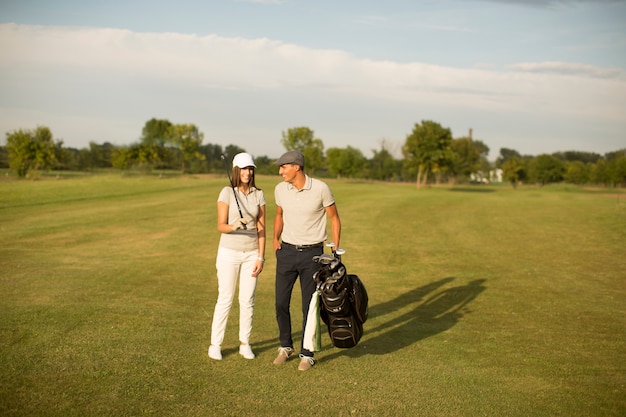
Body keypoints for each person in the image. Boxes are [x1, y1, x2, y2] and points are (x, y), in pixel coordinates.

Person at [272, 150, 341, 371]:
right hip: (286, 252)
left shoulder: (320, 188)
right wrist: (274, 239)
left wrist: (335, 248)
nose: (280, 171)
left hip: (312, 255)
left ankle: (307, 353)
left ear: (296, 167)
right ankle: (285, 346)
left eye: (283, 167)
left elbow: (334, 218)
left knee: (308, 306)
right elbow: (279, 214)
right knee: (280, 303)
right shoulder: (280, 189)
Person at [209, 152, 266, 361]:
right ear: (236, 170)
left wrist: (261, 257)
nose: (247, 172)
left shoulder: (258, 194)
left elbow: (261, 228)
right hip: (228, 253)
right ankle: (215, 344)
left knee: (247, 300)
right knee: (225, 298)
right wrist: (234, 226)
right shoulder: (226, 192)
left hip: (251, 253)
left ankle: (245, 343)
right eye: (243, 169)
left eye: (250, 168)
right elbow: (220, 226)